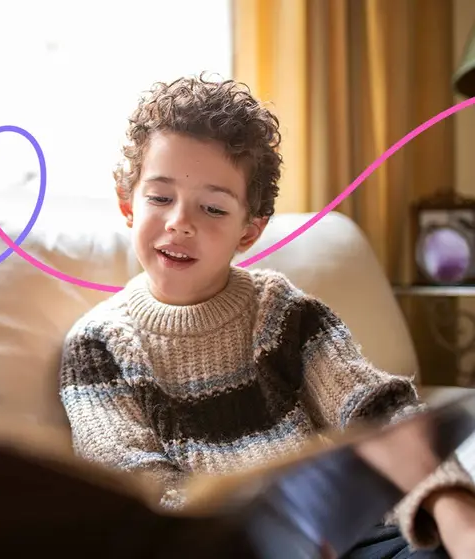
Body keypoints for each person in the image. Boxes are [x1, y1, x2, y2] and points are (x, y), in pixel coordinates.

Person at [58, 74, 475, 558]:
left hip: (355, 537)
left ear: (248, 232)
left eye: (213, 207)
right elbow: (141, 494)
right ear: (127, 204)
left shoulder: (282, 312)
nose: (180, 222)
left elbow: (375, 409)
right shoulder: (97, 347)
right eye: (159, 197)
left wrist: (453, 507)